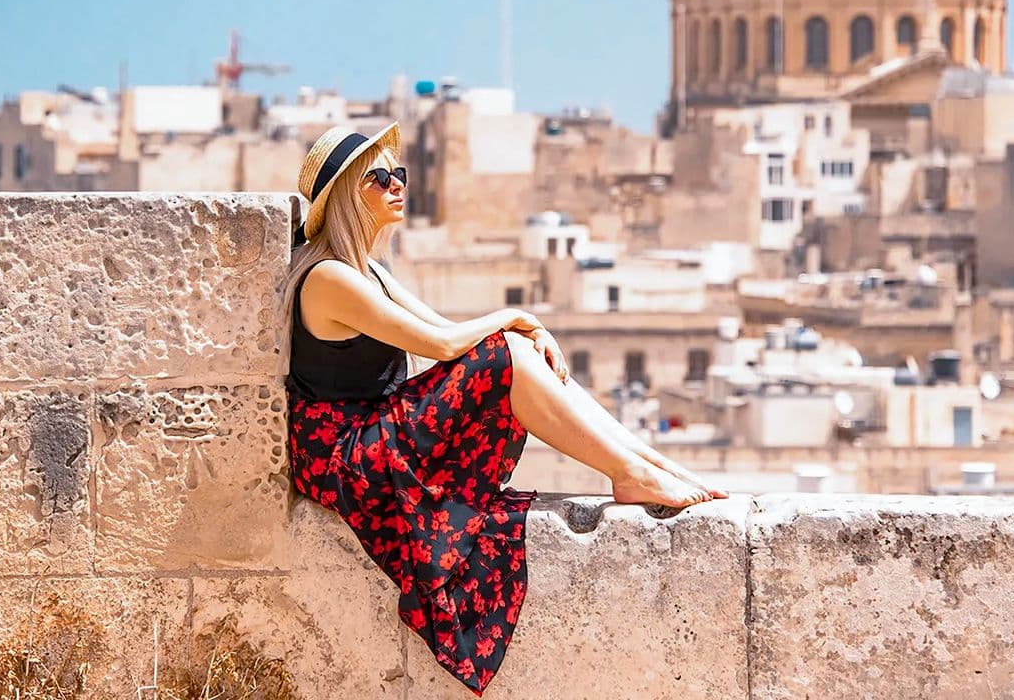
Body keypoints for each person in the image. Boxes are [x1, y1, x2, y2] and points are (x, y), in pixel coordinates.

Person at [285, 122, 727, 695]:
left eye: (399, 173)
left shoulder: (368, 271)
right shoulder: (329, 278)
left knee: (518, 354)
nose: (397, 185)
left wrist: (523, 329)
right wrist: (519, 320)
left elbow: (444, 329)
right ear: (347, 194)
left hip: (374, 433)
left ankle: (649, 467)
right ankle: (632, 473)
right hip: (346, 454)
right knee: (512, 354)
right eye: (379, 177)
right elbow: (443, 347)